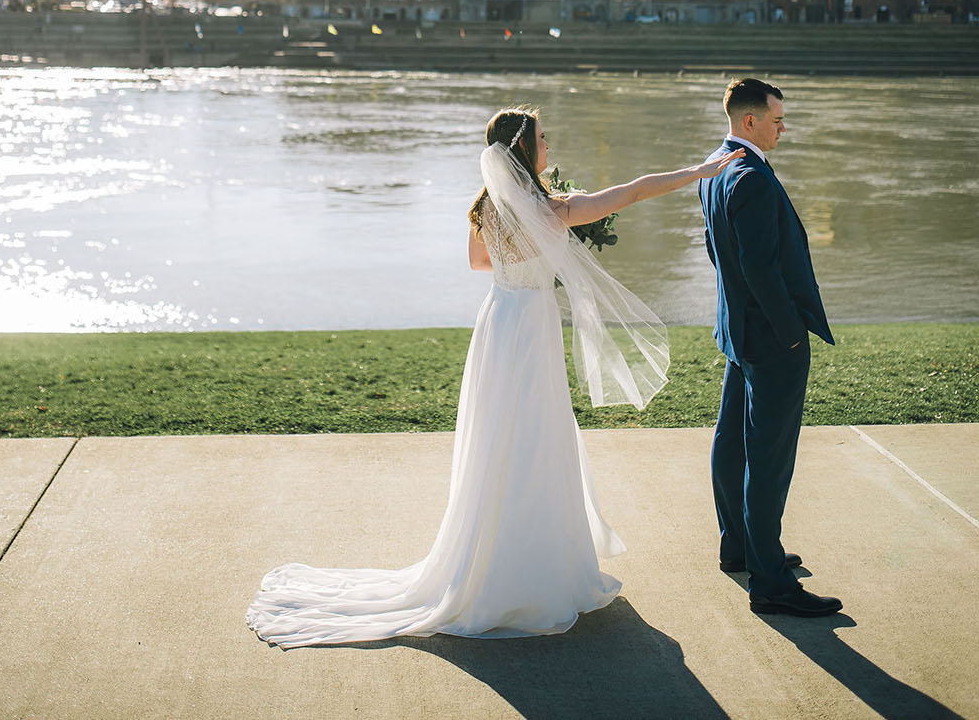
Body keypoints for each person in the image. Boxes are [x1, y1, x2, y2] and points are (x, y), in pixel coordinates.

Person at [247, 107, 742, 647]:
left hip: (499, 318)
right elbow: (631, 192)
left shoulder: (486, 206)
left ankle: (487, 559)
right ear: (525, 151)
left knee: (499, 439)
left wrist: (526, 255)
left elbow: (478, 264)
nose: (549, 143)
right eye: (542, 138)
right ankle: (527, 572)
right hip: (530, 322)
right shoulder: (550, 210)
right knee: (534, 438)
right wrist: (697, 172)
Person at [699, 77, 841, 618]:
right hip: (769, 337)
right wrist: (788, 330)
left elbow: (719, 253)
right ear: (750, 120)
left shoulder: (714, 166)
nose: (785, 128)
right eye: (778, 120)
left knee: (732, 439)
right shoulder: (750, 176)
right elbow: (760, 267)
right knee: (769, 455)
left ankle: (740, 547)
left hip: (738, 330)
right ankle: (772, 582)